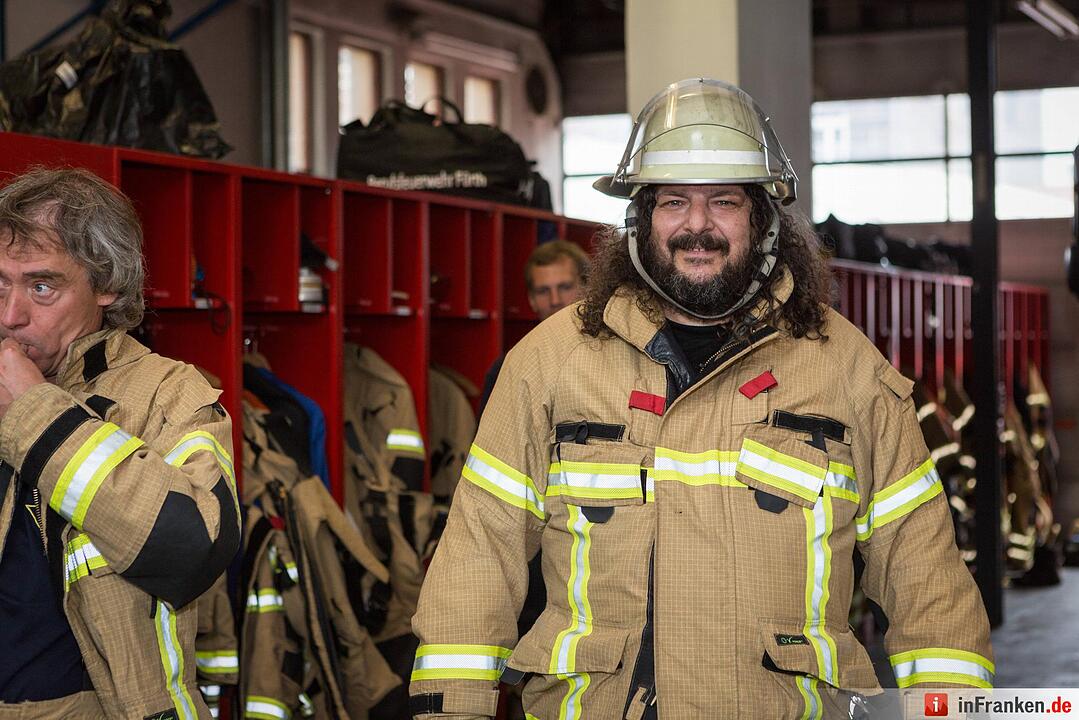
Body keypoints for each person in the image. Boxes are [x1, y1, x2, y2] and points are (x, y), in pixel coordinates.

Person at [409, 78, 993, 719]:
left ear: (764, 218)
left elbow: (925, 572)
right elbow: (477, 556)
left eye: (723, 202)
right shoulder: (549, 365)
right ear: (639, 218)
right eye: (673, 203)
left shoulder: (846, 372)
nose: (697, 226)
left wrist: (955, 706)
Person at [0, 167, 239, 719]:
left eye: (42, 286)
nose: (12, 317)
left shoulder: (169, 392)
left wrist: (36, 413)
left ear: (107, 283)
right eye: (0, 284)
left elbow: (194, 549)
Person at [479, 240, 589, 415]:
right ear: (531, 300)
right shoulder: (510, 367)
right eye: (543, 291)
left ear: (588, 288)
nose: (555, 300)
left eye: (565, 287)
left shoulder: (612, 356)